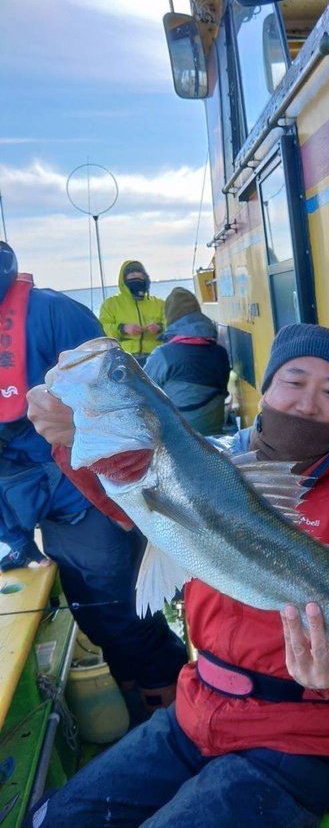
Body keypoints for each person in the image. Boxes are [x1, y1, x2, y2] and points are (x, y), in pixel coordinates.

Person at [26, 323, 329, 828]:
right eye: (294, 380)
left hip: (302, 731)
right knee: (55, 818)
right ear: (265, 386)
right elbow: (134, 508)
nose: (308, 401)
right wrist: (69, 440)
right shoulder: (220, 458)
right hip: (197, 709)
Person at [0, 241, 187, 719]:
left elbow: (127, 404)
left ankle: (166, 709)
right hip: (41, 512)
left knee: (122, 613)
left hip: (95, 498)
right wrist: (14, 535)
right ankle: (137, 706)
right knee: (93, 612)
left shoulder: (56, 313)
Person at [144, 287, 231, 436]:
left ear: (170, 319)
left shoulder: (162, 355)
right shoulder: (221, 352)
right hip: (215, 436)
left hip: (179, 440)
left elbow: (141, 392)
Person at [99, 260, 164, 365]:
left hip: (155, 357)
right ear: (124, 280)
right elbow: (103, 330)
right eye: (132, 276)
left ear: (146, 278)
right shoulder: (111, 304)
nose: (137, 279)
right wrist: (123, 328)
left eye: (140, 276)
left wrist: (159, 327)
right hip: (123, 358)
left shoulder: (159, 304)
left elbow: (172, 326)